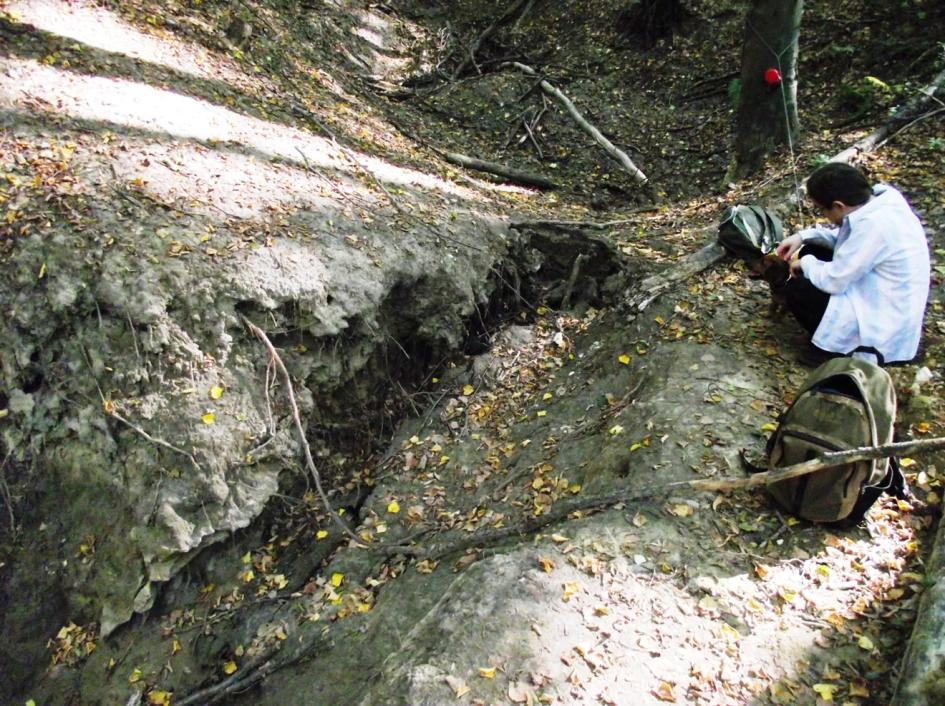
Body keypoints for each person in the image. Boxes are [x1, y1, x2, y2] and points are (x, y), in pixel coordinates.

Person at [776, 162, 930, 365]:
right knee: (812, 249)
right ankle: (830, 334)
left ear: (839, 206)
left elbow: (834, 281)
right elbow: (845, 240)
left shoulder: (875, 225)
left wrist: (805, 263)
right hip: (877, 293)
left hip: (884, 323)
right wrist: (803, 236)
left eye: (823, 210)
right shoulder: (879, 202)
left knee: (799, 288)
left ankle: (834, 352)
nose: (825, 216)